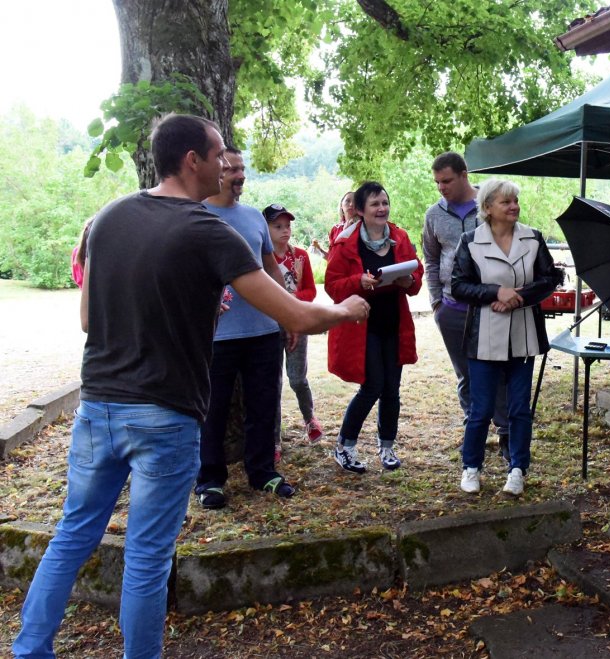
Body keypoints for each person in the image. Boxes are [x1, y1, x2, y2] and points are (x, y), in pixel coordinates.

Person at [12, 114, 369, 659]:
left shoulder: (108, 218)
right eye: (219, 153)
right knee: (147, 556)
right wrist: (346, 310)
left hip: (98, 407)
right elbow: (294, 314)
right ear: (191, 160)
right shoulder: (209, 231)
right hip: (165, 414)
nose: (226, 164)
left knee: (72, 534)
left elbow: (89, 320)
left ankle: (29, 650)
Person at [194, 147, 296, 510]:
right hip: (216, 336)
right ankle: (209, 480)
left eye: (242, 169)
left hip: (263, 332)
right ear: (216, 171)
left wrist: (288, 315)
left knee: (263, 406)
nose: (239, 175)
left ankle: (263, 472)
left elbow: (270, 269)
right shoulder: (196, 215)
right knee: (213, 411)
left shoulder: (254, 217)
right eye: (232, 169)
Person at [450, 178, 558, 496]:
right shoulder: (470, 241)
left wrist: (517, 297)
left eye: (515, 201)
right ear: (487, 208)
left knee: (520, 408)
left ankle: (518, 469)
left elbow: (550, 278)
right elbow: (459, 286)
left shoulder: (533, 238)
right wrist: (496, 292)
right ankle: (471, 467)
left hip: (524, 335)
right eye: (506, 202)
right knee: (481, 409)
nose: (514, 207)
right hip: (484, 337)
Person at [325, 181, 423, 473]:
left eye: (385, 203)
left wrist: (409, 280)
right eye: (375, 204)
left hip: (394, 323)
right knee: (372, 387)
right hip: (362, 328)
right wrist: (359, 281)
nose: (382, 209)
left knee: (392, 389)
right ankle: (344, 446)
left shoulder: (399, 237)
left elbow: (415, 274)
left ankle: (387, 447)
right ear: (360, 210)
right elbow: (332, 286)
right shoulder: (345, 242)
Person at [423, 152, 509, 458]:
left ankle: (506, 433)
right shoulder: (434, 215)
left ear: (464, 175)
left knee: (497, 372)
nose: (441, 187)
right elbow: (431, 260)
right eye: (437, 182)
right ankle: (474, 432)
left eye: (447, 181)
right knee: (466, 375)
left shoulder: (491, 205)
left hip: (490, 307)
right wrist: (437, 304)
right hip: (452, 310)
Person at [264, 203, 323, 452]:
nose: (285, 230)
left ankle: (310, 419)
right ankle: (274, 439)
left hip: (297, 320)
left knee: (297, 379)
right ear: (265, 229)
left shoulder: (300, 256)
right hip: (269, 325)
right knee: (272, 383)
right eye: (277, 226)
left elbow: (311, 290)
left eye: (287, 226)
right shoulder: (261, 258)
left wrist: (293, 299)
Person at [312, 191, 357, 259]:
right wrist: (319, 250)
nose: (351, 204)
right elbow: (332, 258)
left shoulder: (364, 226)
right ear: (341, 205)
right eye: (348, 201)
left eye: (355, 202)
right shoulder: (335, 229)